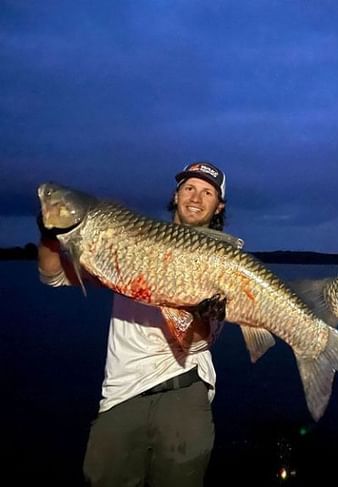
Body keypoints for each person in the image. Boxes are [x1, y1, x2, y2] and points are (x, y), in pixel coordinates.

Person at [38, 161, 231, 487]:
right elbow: (52, 274)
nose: (196, 197)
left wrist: (203, 310)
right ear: (176, 195)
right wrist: (50, 232)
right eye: (189, 188)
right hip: (121, 395)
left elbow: (195, 341)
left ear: (218, 206)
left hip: (184, 393)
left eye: (207, 192)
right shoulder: (128, 239)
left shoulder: (221, 263)